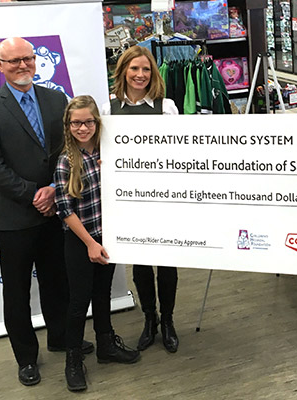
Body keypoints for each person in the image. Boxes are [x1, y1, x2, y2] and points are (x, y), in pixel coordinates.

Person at [0, 37, 92, 387]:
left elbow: (69, 150)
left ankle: (60, 338)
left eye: (27, 58)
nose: (22, 65)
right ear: (0, 66)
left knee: (58, 281)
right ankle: (26, 358)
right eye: (14, 61)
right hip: (14, 218)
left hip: (56, 212)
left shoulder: (56, 99)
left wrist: (54, 190)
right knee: (17, 292)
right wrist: (33, 195)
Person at [55, 95, 141, 392]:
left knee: (103, 294)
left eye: (88, 122)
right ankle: (73, 359)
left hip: (108, 237)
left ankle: (106, 345)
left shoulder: (109, 153)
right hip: (81, 241)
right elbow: (65, 210)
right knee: (79, 301)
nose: (82, 128)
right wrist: (90, 243)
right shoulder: (66, 161)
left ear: (97, 122)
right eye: (76, 123)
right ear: (68, 125)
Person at [101, 45, 180, 353]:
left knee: (168, 262)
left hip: (163, 196)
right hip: (129, 199)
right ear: (123, 71)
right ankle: (150, 319)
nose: (140, 74)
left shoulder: (166, 107)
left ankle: (168, 320)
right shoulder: (108, 109)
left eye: (146, 69)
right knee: (142, 263)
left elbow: (179, 151)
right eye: (134, 68)